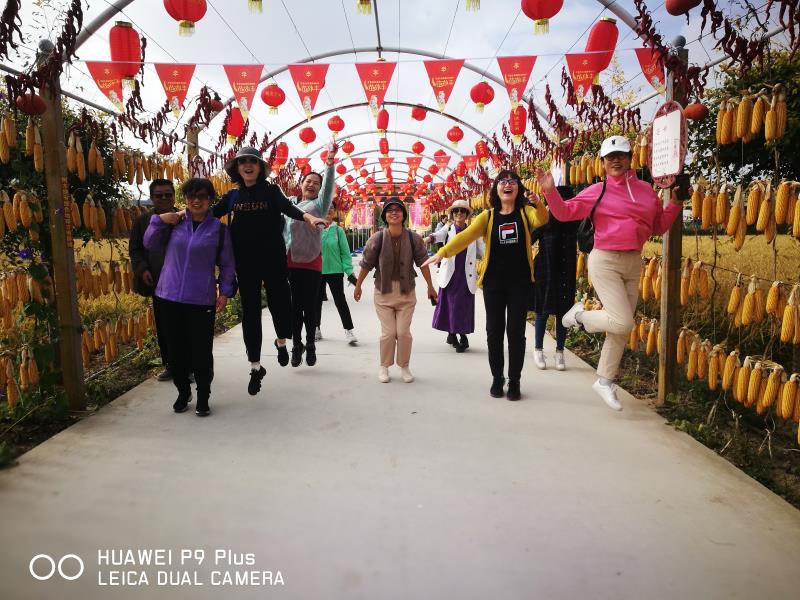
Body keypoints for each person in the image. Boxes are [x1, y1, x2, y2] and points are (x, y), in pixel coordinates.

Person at [536, 135, 682, 411]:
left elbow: (658, 227)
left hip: (633, 261)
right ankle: (577, 316)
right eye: (610, 157)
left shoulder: (646, 191)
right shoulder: (597, 190)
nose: (616, 160)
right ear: (602, 162)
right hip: (605, 260)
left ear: (630, 159)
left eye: (621, 155)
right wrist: (550, 192)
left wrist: (674, 203)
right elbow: (565, 213)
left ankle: (604, 380)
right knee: (623, 321)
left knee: (619, 327)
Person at [422, 170, 548, 401]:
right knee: (494, 333)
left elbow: (542, 220)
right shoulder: (487, 217)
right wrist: (442, 252)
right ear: (496, 189)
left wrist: (539, 203)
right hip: (493, 284)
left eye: (512, 181)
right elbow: (465, 237)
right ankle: (497, 378)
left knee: (516, 334)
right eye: (502, 181)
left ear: (518, 188)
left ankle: (515, 381)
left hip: (520, 284)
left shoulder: (526, 212)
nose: (507, 185)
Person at [212, 147, 327, 396]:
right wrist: (181, 214)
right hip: (246, 264)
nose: (248, 165)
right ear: (237, 168)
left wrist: (309, 218)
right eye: (243, 162)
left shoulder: (271, 191)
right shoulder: (232, 196)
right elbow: (208, 213)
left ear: (260, 167)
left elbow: (290, 208)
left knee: (281, 307)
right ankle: (255, 367)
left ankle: (281, 342)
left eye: (253, 161)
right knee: (251, 313)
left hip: (274, 261)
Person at [144, 178, 236, 417]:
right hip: (168, 295)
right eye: (191, 196)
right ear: (184, 199)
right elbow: (149, 243)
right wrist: (158, 220)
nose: (196, 201)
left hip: (200, 299)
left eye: (202, 196)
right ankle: (183, 392)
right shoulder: (174, 223)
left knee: (201, 351)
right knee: (175, 350)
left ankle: (203, 394)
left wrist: (225, 292)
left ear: (210, 200)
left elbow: (227, 264)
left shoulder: (219, 230)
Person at [353, 198, 437, 383]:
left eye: (397, 210)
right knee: (389, 333)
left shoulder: (413, 238)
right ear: (385, 216)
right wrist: (358, 286)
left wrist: (430, 286)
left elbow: (423, 263)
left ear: (403, 215)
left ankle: (404, 366)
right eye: (389, 210)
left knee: (403, 333)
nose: (393, 213)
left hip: (407, 293)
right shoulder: (377, 238)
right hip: (383, 292)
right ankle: (384, 366)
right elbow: (366, 264)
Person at [284, 144, 337, 367]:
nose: (312, 184)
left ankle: (311, 344)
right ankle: (297, 346)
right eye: (308, 181)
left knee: (310, 307)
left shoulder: (319, 205)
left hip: (312, 263)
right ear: (302, 184)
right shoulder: (289, 206)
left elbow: (328, 187)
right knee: (295, 308)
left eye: (316, 182)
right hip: (291, 263)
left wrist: (329, 162)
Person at [129, 178, 176, 382]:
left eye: (168, 194)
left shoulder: (183, 218)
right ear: (152, 198)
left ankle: (189, 366)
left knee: (185, 326)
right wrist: (142, 269)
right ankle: (171, 365)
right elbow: (135, 250)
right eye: (159, 195)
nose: (164, 198)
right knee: (165, 326)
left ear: (174, 196)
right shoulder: (143, 222)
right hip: (159, 283)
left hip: (183, 282)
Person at [530, 185, 579, 372]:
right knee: (542, 311)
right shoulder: (545, 219)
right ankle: (538, 349)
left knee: (562, 313)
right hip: (545, 269)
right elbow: (529, 240)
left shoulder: (574, 221)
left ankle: (560, 352)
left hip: (566, 271)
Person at [425, 199, 484, 353]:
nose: (459, 213)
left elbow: (483, 251)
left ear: (467, 214)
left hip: (466, 276)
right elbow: (437, 236)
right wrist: (427, 239)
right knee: (451, 306)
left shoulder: (473, 232)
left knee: (463, 307)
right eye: (456, 211)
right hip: (450, 275)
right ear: (452, 214)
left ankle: (458, 334)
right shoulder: (448, 229)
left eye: (462, 211)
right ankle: (456, 335)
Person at [316, 205, 358, 345]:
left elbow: (345, 253)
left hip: (335, 271)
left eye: (331, 208)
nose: (328, 210)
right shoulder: (314, 229)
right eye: (326, 207)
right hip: (317, 271)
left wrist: (349, 272)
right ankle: (316, 328)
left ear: (334, 212)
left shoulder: (338, 231)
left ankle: (349, 330)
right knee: (315, 302)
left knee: (340, 301)